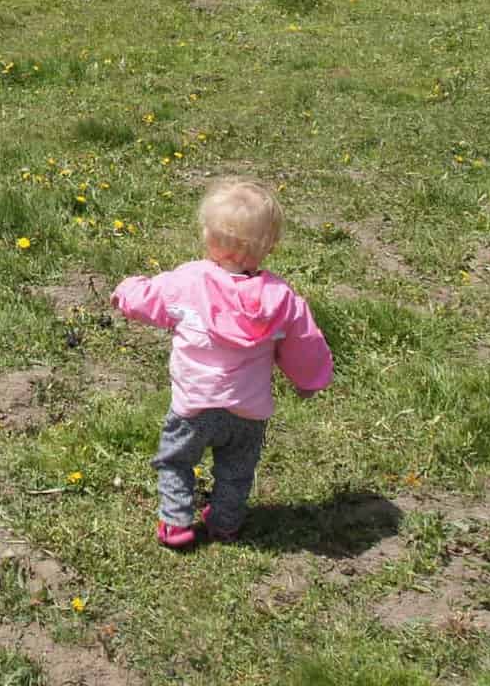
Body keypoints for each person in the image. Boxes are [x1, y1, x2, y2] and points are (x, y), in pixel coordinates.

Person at [112, 177, 334, 547]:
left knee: (176, 462)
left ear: (208, 236)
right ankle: (226, 522)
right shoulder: (281, 299)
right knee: (236, 470)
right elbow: (305, 344)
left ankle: (176, 522)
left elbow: (146, 298)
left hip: (194, 407)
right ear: (269, 246)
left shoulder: (189, 281)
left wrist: (125, 290)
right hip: (248, 411)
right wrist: (309, 380)